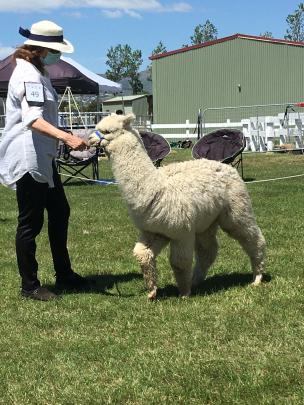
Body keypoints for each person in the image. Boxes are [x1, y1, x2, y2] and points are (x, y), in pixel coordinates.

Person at [0, 20, 89, 301]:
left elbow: (46, 116)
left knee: (60, 211)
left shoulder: (39, 71)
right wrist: (67, 138)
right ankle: (30, 286)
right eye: (55, 50)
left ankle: (64, 273)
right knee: (30, 222)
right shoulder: (28, 74)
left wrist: (64, 132)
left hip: (44, 156)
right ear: (41, 49)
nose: (58, 55)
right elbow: (33, 119)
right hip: (29, 158)